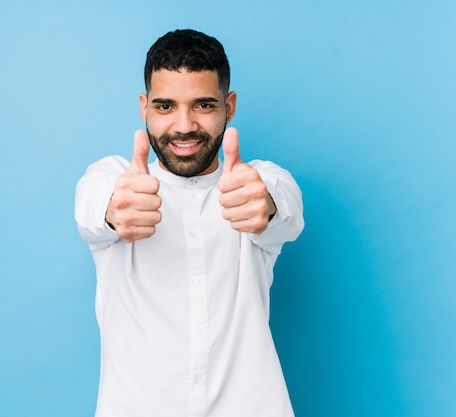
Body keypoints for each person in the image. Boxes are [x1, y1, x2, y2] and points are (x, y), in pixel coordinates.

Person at [75, 29, 304, 417]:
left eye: (202, 105)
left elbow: (286, 208)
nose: (183, 126)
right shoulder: (113, 179)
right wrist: (115, 210)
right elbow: (92, 207)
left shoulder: (258, 180)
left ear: (229, 107)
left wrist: (264, 204)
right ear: (144, 107)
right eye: (165, 107)